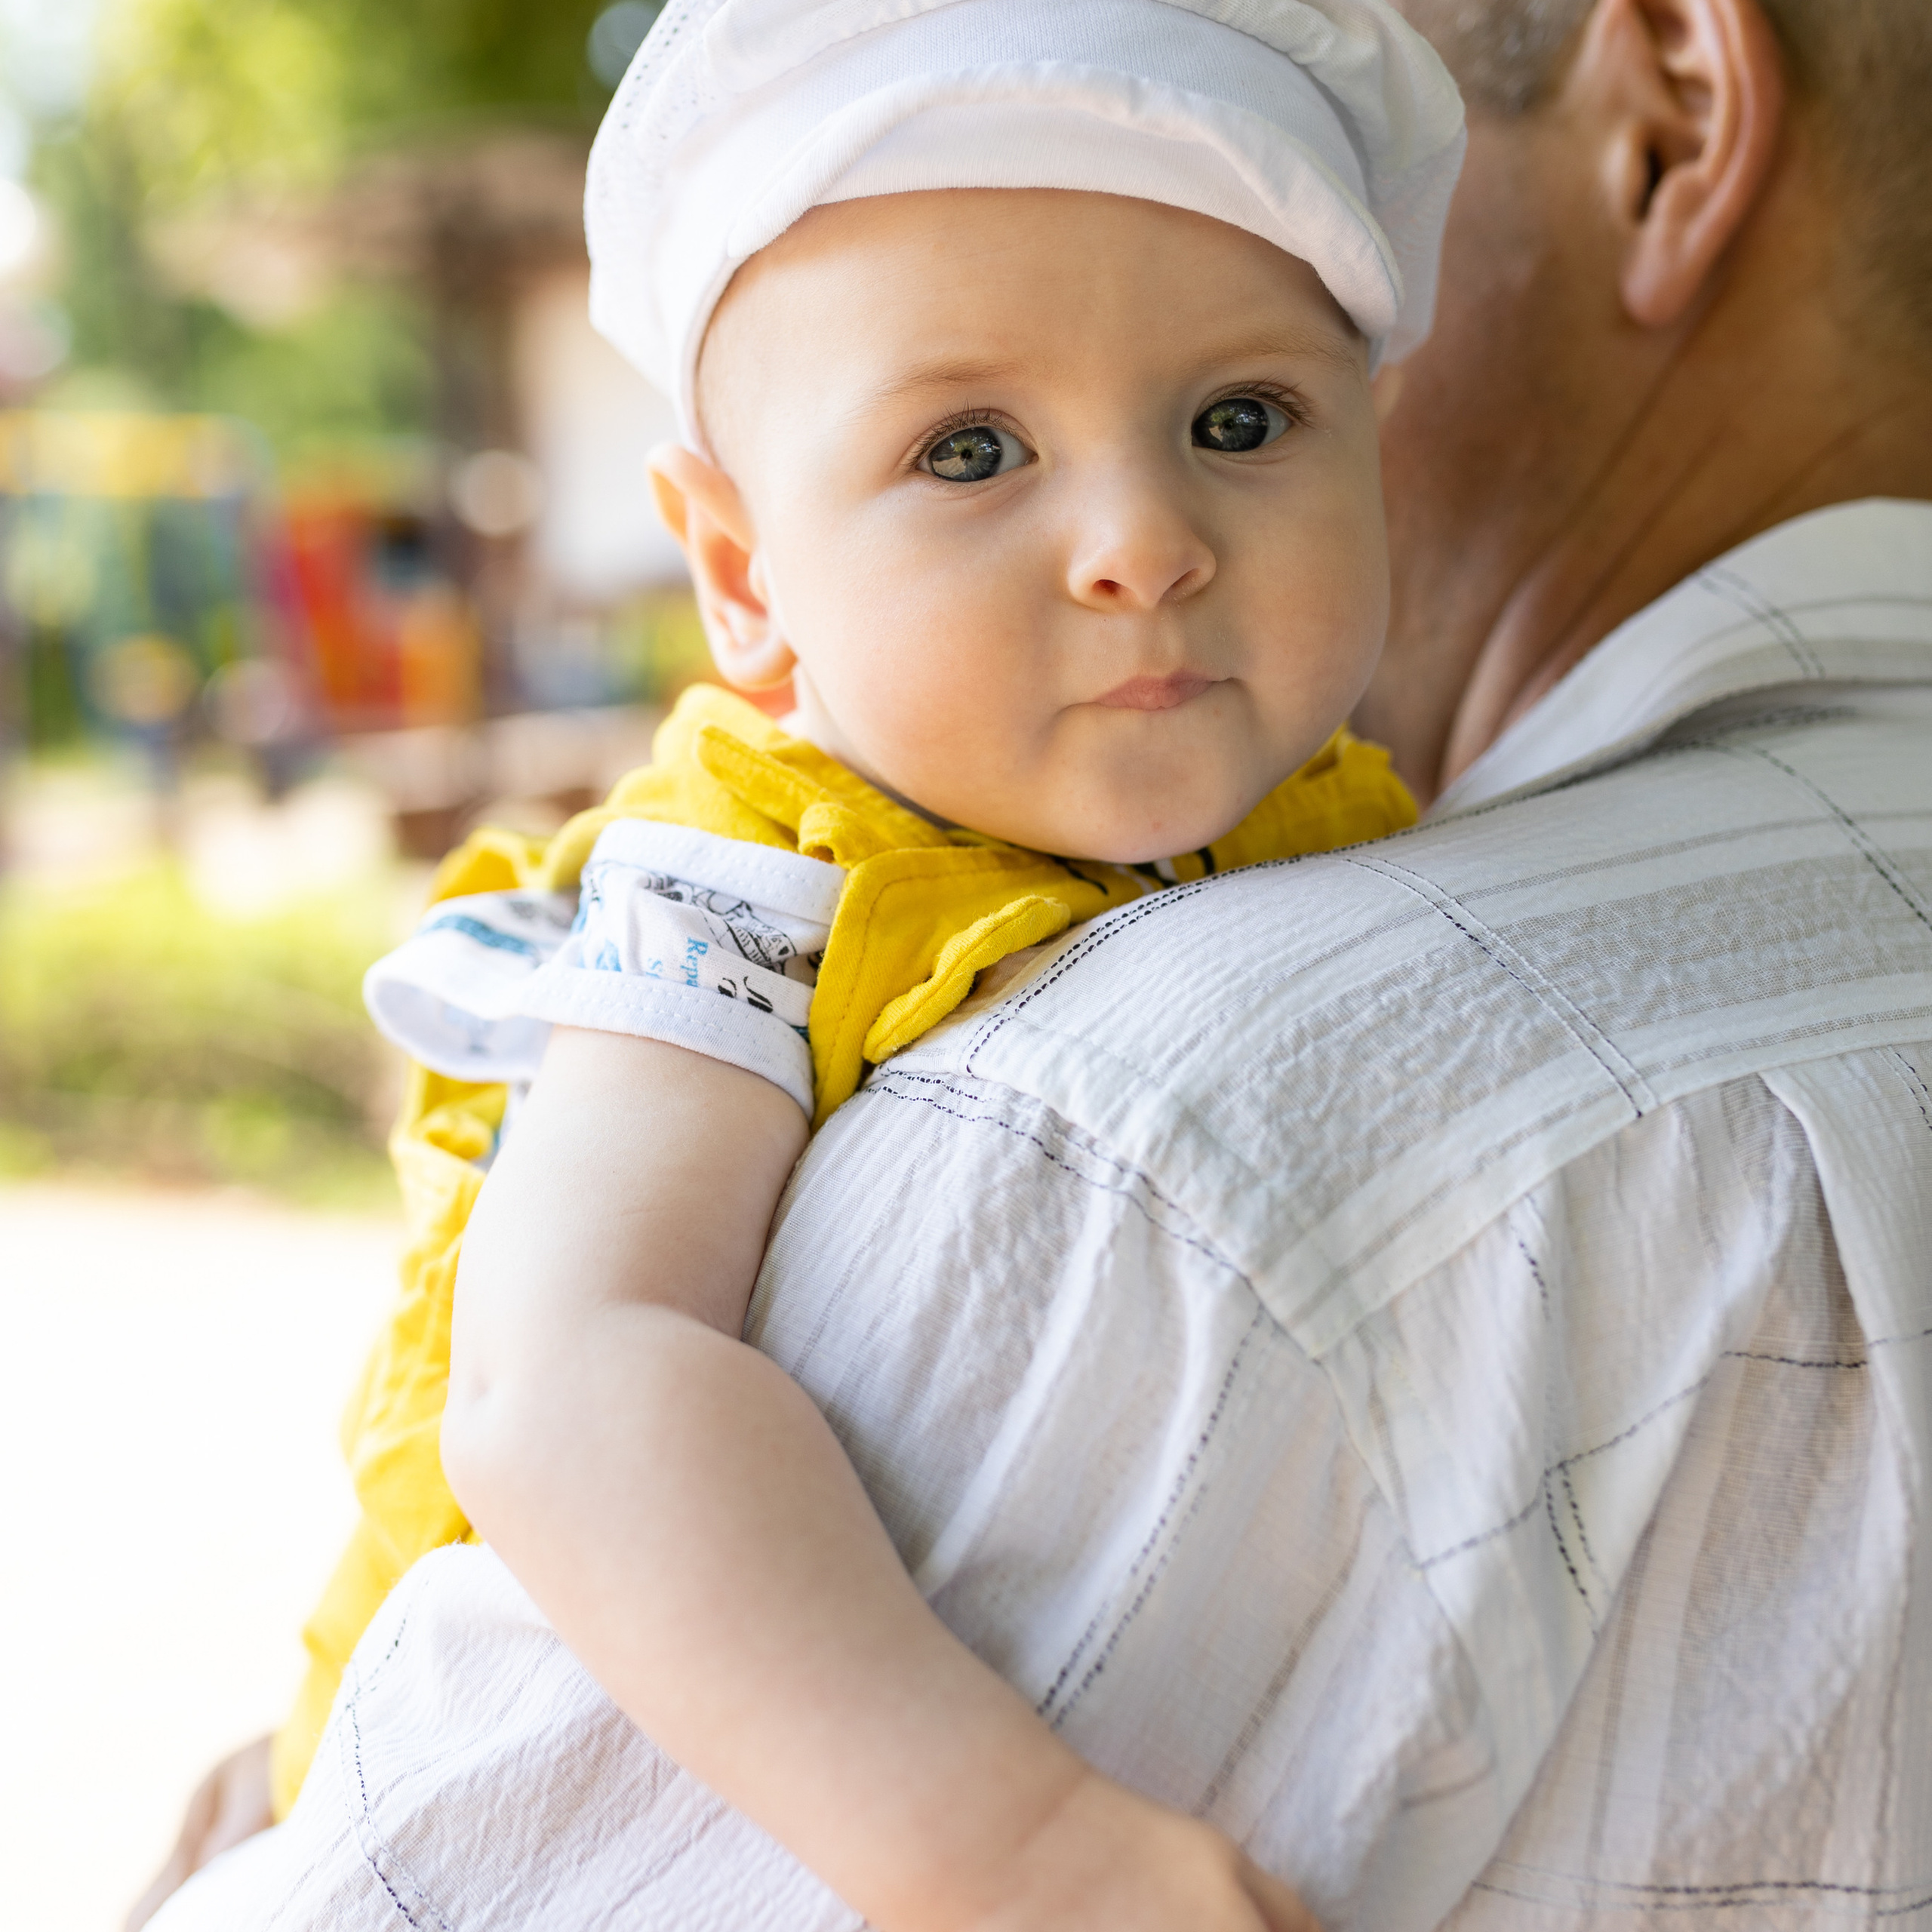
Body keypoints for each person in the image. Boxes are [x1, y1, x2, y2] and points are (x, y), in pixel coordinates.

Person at [134, 0, 1932, 1924]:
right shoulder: (749, 870)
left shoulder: (1365, 819)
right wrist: (1004, 1839)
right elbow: (570, 1380)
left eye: (1239, 423)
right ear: (739, 577)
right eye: (970, 448)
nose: (1140, 542)